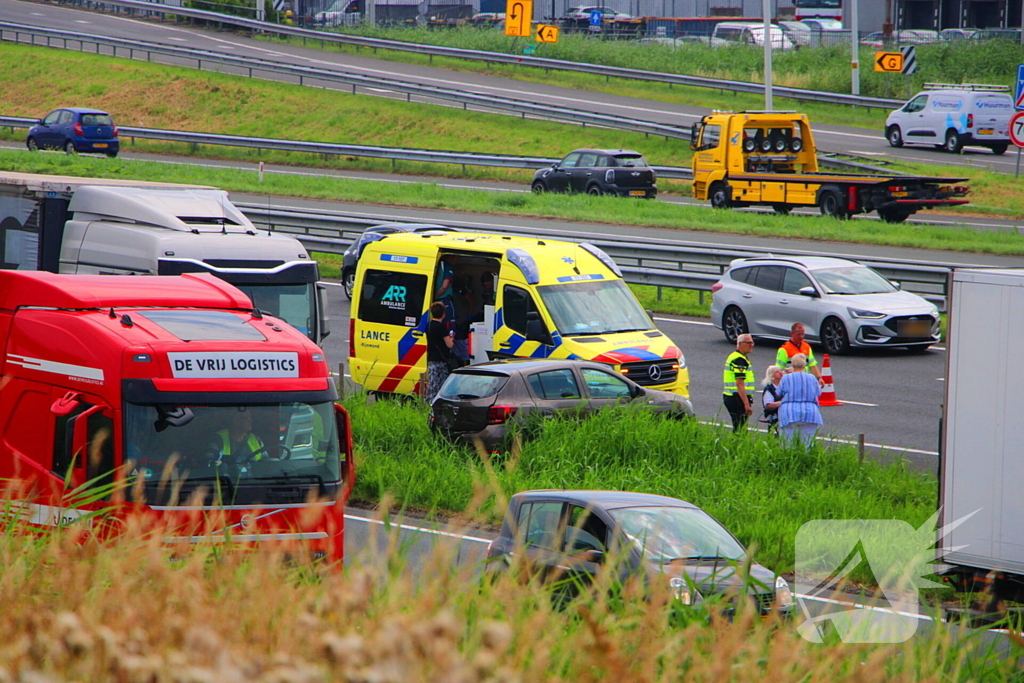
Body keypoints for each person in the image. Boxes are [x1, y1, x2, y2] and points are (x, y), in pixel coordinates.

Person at [776, 353, 823, 448]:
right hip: (810, 413)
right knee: (807, 444)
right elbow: (818, 393)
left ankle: (788, 461)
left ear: (792, 365)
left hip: (789, 413)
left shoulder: (786, 378)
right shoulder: (812, 378)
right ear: (805, 365)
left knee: (787, 444)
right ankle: (805, 461)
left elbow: (778, 393)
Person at [723, 334, 756, 432]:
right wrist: (746, 404)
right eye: (748, 342)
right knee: (740, 429)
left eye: (752, 342)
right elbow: (739, 383)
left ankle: (735, 445)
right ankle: (736, 446)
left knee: (739, 427)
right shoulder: (739, 360)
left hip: (733, 396)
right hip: (737, 398)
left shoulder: (736, 356)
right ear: (740, 343)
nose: (751, 345)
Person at [776, 323, 824, 387]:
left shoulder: (806, 347)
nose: (801, 336)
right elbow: (778, 369)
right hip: (791, 383)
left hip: (805, 381)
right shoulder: (784, 349)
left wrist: (819, 378)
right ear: (792, 334)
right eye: (798, 334)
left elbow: (812, 365)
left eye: (802, 334)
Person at [425, 300, 455, 402]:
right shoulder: (441, 327)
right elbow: (449, 344)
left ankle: (429, 404)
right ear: (443, 314)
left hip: (431, 359)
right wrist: (451, 337)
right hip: (441, 361)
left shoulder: (428, 325)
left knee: (432, 385)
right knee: (441, 385)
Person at [760, 364, 784, 434]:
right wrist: (783, 402)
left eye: (780, 371)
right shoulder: (769, 389)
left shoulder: (784, 386)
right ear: (772, 375)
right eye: (777, 372)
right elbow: (768, 405)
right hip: (774, 417)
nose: (780, 373)